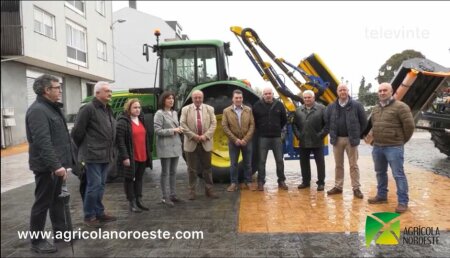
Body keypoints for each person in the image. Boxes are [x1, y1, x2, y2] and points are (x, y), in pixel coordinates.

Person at [26, 74, 75, 253]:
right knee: (42, 203)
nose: (61, 91)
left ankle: (61, 233)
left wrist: (65, 163)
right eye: (57, 88)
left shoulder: (52, 108)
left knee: (57, 201)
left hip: (57, 165)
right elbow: (42, 142)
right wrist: (56, 166)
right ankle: (37, 241)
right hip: (47, 167)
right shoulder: (38, 110)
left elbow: (61, 138)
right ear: (47, 90)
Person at [71, 81, 117, 228]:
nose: (110, 93)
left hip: (105, 154)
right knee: (94, 186)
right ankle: (89, 215)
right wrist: (83, 150)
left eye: (110, 91)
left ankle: (99, 212)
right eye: (106, 91)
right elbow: (77, 132)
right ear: (97, 93)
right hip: (92, 155)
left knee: (101, 185)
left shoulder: (107, 108)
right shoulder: (88, 109)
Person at [368, 82, 415, 213]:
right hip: (378, 147)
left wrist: (400, 141)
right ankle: (382, 195)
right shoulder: (376, 109)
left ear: (391, 92)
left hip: (394, 147)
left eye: (385, 90)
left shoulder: (401, 107)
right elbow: (374, 125)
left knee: (398, 175)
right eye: (380, 91)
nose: (382, 93)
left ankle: (403, 202)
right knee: (380, 172)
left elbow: (409, 127)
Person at [325, 84, 367, 199]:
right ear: (337, 92)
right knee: (338, 165)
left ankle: (356, 188)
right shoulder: (331, 107)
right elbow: (327, 122)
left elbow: (364, 122)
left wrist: (357, 134)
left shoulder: (357, 105)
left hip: (351, 140)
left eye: (344, 90)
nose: (342, 92)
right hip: (337, 140)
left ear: (348, 91)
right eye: (340, 90)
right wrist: (332, 133)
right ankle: (338, 187)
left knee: (353, 165)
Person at [116, 99, 153, 212]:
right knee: (129, 179)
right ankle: (131, 202)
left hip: (142, 154)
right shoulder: (123, 122)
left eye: (139, 107)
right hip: (131, 156)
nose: (137, 110)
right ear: (129, 109)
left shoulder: (141, 119)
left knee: (139, 179)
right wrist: (125, 157)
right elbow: (120, 141)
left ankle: (139, 200)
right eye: (135, 108)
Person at [180, 90, 218, 200]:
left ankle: (209, 190)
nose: (197, 100)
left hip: (206, 142)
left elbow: (214, 123)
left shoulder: (209, 109)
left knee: (207, 168)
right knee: (192, 169)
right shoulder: (185, 109)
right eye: (195, 97)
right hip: (191, 142)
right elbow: (182, 124)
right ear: (192, 98)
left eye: (199, 97)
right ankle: (192, 191)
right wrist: (194, 136)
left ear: (203, 98)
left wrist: (205, 136)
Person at [252, 86, 288, 191]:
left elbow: (284, 120)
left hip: (276, 138)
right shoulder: (257, 106)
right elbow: (254, 121)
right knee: (262, 161)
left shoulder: (280, 105)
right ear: (263, 95)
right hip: (263, 138)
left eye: (269, 93)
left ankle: (281, 181)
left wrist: (277, 129)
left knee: (279, 160)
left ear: (273, 94)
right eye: (266, 94)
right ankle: (261, 182)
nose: (268, 95)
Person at [293, 90, 328, 191]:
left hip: (317, 141)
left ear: (313, 98)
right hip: (303, 140)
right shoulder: (298, 110)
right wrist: (299, 135)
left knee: (320, 163)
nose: (307, 99)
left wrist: (320, 136)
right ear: (303, 99)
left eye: (309, 97)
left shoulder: (321, 108)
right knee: (303, 162)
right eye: (305, 98)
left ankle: (321, 183)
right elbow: (294, 124)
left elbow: (327, 124)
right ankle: (305, 181)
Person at [154, 92, 183, 206]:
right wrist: (173, 131)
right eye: (168, 98)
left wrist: (179, 128)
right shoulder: (159, 113)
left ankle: (173, 194)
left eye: (172, 98)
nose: (171, 100)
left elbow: (175, 127)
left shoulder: (175, 113)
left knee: (173, 172)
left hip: (175, 145)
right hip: (165, 146)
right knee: (165, 172)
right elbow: (157, 131)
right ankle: (165, 197)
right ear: (163, 100)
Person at [222, 89, 255, 192]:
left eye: (240, 98)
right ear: (233, 98)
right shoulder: (226, 111)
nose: (238, 99)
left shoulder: (248, 110)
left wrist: (245, 139)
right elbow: (224, 126)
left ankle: (248, 182)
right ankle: (233, 183)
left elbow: (252, 125)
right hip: (233, 142)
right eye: (236, 98)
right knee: (234, 164)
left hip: (246, 141)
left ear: (242, 98)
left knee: (248, 163)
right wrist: (235, 139)